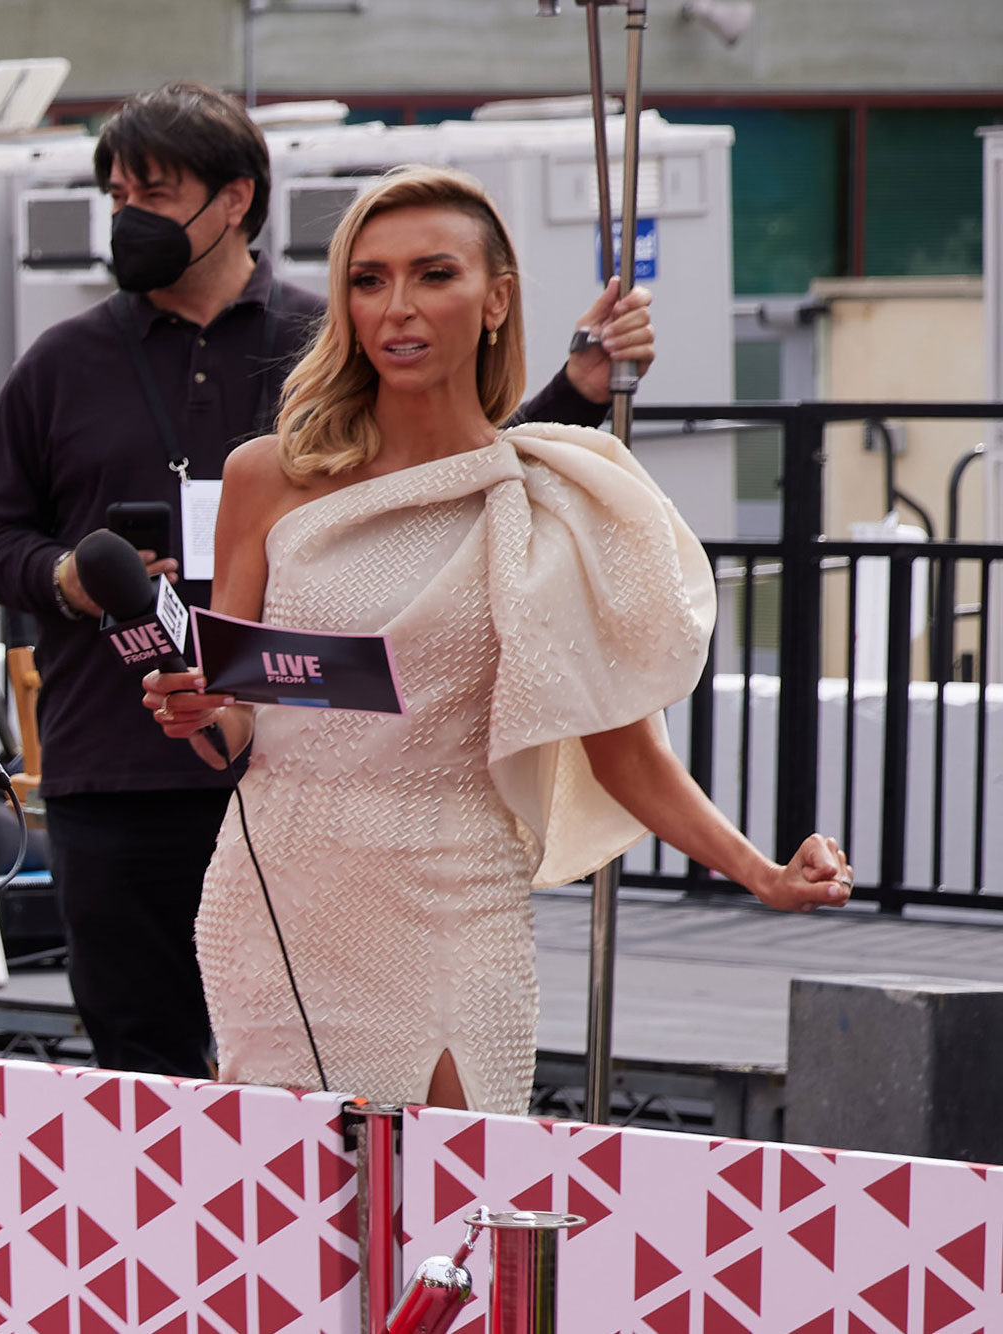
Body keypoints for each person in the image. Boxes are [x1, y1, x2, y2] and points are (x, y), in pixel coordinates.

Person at [0, 81, 659, 1079]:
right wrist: (67, 576)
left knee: (316, 1068)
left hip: (303, 777)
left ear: (234, 197)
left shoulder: (330, 336)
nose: (125, 217)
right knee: (137, 1061)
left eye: (151, 192)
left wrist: (576, 395)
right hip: (109, 760)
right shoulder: (60, 360)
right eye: (114, 193)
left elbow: (460, 472)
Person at [141, 165, 853, 1114]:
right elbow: (236, 721)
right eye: (369, 278)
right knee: (284, 1231)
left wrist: (761, 874)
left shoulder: (551, 498)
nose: (398, 307)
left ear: (496, 299)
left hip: (454, 892)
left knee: (451, 1226)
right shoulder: (266, 477)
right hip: (279, 886)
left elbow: (625, 750)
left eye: (434, 274)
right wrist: (197, 708)